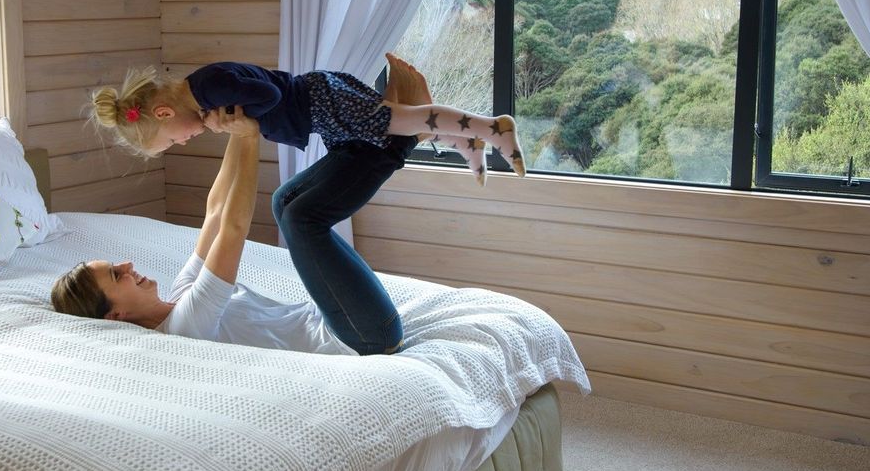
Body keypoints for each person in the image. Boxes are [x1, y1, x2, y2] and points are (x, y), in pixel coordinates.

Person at [50, 106, 368, 355]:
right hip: (343, 340)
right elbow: (233, 228)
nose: (128, 266)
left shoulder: (181, 294)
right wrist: (249, 137)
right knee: (299, 216)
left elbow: (215, 212)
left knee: (288, 204)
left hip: (329, 315)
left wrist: (235, 124)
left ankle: (388, 137)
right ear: (115, 316)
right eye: (116, 275)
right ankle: (390, 140)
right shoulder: (186, 326)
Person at [89, 54, 526, 186]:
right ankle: (463, 142)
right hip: (321, 112)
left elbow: (270, 94)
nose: (183, 143)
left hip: (320, 102)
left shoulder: (208, 90)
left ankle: (492, 127)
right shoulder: (204, 88)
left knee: (404, 119)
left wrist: (223, 115)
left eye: (171, 141)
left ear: (164, 113)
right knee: (394, 128)